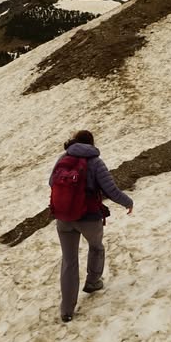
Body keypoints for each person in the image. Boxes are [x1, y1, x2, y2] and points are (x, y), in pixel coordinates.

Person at [49, 130, 133, 323]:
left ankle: (67, 310)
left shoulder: (64, 157)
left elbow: (51, 182)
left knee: (69, 261)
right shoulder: (95, 162)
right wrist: (128, 202)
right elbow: (110, 189)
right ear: (91, 144)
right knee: (96, 247)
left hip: (64, 218)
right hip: (88, 218)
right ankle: (93, 281)